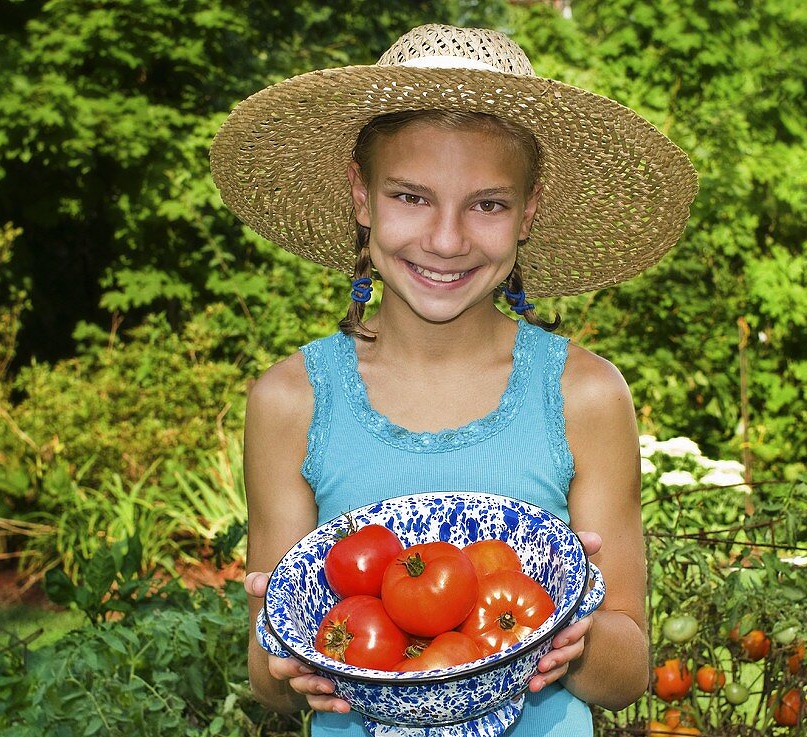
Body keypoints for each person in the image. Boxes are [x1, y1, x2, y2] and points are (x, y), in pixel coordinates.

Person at [210, 23, 697, 737]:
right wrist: (288, 656)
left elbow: (628, 671)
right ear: (361, 196)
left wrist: (573, 635)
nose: (445, 238)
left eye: (488, 204)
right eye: (411, 196)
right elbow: (267, 671)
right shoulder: (291, 401)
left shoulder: (583, 394)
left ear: (528, 211)